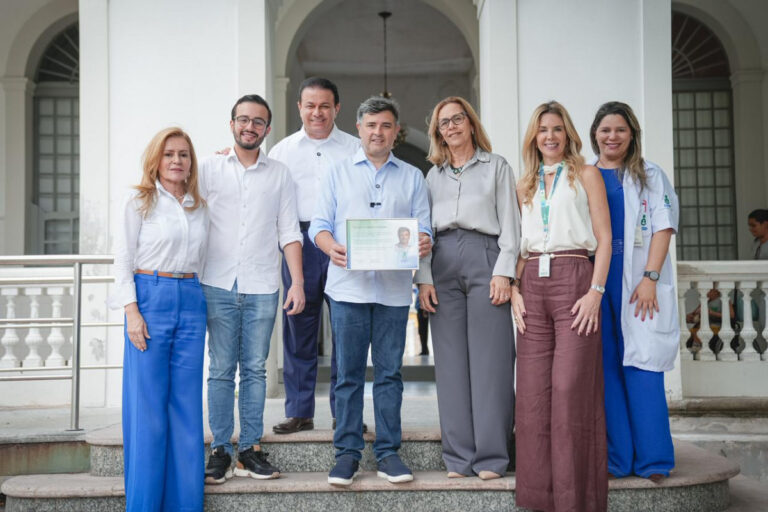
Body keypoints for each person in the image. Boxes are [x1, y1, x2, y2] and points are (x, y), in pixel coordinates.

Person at [309, 96, 432, 486]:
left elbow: (424, 227)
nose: (378, 132)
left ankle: (388, 453)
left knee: (389, 374)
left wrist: (424, 240)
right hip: (348, 290)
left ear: (397, 133)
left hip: (393, 293)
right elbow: (318, 226)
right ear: (358, 128)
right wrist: (331, 247)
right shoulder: (337, 173)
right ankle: (346, 454)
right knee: (347, 375)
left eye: (386, 126)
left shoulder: (413, 177)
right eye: (371, 125)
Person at [511, 101, 611, 511]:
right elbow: (519, 245)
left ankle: (574, 500)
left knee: (569, 389)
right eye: (542, 130)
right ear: (533, 137)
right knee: (532, 393)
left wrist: (595, 291)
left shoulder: (586, 174)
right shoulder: (524, 183)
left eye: (556, 128)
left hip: (575, 277)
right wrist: (514, 288)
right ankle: (539, 499)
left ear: (568, 133)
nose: (549, 136)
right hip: (532, 281)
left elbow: (604, 237)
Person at [201, 94, 306, 484]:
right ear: (232, 124)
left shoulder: (280, 174)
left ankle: (249, 449)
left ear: (267, 128)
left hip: (263, 284)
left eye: (258, 121)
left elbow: (289, 231)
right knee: (220, 370)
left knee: (256, 370)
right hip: (216, 282)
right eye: (243, 120)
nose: (250, 126)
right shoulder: (208, 169)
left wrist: (297, 282)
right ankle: (220, 450)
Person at [415, 96, 519, 480]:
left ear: (471, 124)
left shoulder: (497, 167)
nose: (452, 127)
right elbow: (423, 231)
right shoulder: (432, 176)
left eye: (458, 119)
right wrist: (424, 277)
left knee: (491, 362)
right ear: (438, 133)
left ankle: (492, 457)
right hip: (442, 260)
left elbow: (511, 225)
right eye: (444, 123)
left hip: (485, 257)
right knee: (451, 365)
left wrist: (504, 272)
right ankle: (458, 458)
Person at [111, 127, 208, 511]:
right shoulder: (139, 201)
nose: (176, 161)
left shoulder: (198, 205)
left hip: (191, 297)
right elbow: (122, 259)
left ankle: (185, 505)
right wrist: (131, 311)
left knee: (186, 407)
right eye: (169, 154)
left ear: (191, 162)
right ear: (156, 159)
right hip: (150, 298)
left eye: (183, 154)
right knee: (148, 408)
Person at [589, 101, 679, 483]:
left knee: (643, 369)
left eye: (620, 130)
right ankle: (617, 460)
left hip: (641, 283)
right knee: (606, 370)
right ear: (595, 134)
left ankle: (654, 461)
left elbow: (664, 227)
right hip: (598, 282)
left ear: (632, 135)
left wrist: (650, 277)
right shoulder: (586, 175)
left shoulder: (650, 174)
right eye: (605, 130)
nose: (612, 137)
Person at [268, 77, 361, 435]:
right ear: (300, 108)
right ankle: (299, 411)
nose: (317, 112)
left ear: (337, 108)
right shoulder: (282, 152)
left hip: (344, 242)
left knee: (347, 330)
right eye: (310, 105)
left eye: (324, 106)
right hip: (298, 242)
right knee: (298, 328)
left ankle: (345, 412)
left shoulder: (355, 148)